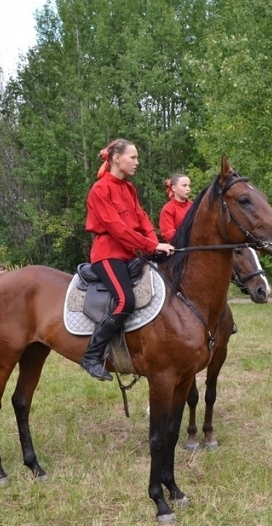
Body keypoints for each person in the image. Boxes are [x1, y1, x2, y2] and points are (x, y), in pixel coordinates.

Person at [82, 139, 175, 381]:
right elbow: (117, 228)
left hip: (130, 253)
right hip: (108, 254)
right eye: (132, 157)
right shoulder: (100, 190)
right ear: (116, 158)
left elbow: (142, 218)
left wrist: (155, 242)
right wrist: (151, 245)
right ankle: (91, 355)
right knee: (126, 300)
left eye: (136, 158)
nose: (137, 162)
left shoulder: (130, 188)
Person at [159, 173, 192, 243]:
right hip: (180, 249)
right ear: (174, 188)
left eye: (189, 186)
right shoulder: (168, 209)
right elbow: (169, 235)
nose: (188, 189)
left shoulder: (193, 205)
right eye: (184, 186)